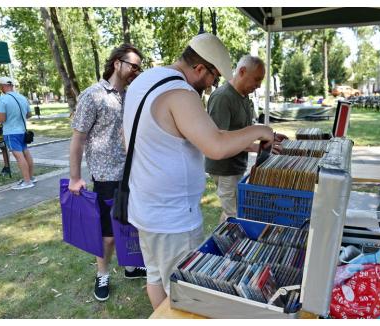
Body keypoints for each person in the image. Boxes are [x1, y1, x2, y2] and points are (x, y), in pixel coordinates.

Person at [123, 33, 275, 309]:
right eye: (213, 78)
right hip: (172, 217)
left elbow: (129, 142)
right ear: (200, 68)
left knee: (156, 277)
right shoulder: (180, 92)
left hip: (145, 208)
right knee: (186, 294)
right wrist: (260, 130)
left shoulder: (143, 81)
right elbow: (215, 145)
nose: (212, 86)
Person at [68, 44, 147, 302]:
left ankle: (131, 266)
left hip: (133, 174)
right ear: (117, 63)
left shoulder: (132, 96)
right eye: (133, 65)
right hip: (106, 176)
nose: (137, 70)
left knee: (130, 226)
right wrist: (75, 177)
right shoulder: (93, 95)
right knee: (109, 235)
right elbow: (78, 139)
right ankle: (102, 274)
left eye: (139, 67)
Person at [205, 55, 287, 223]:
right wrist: (258, 148)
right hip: (225, 168)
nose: (258, 86)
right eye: (256, 80)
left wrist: (269, 137)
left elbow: (244, 131)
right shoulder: (222, 97)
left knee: (232, 211)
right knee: (236, 215)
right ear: (242, 71)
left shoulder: (244, 97)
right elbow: (220, 139)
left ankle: (221, 243)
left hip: (237, 165)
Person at [0, 77, 36, 189]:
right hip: (22, 130)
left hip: (10, 132)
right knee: (26, 153)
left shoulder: (3, 99)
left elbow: (2, 119)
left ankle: (27, 182)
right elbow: (28, 115)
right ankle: (30, 177)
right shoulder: (22, 97)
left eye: (0, 86)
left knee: (19, 156)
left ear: (3, 86)